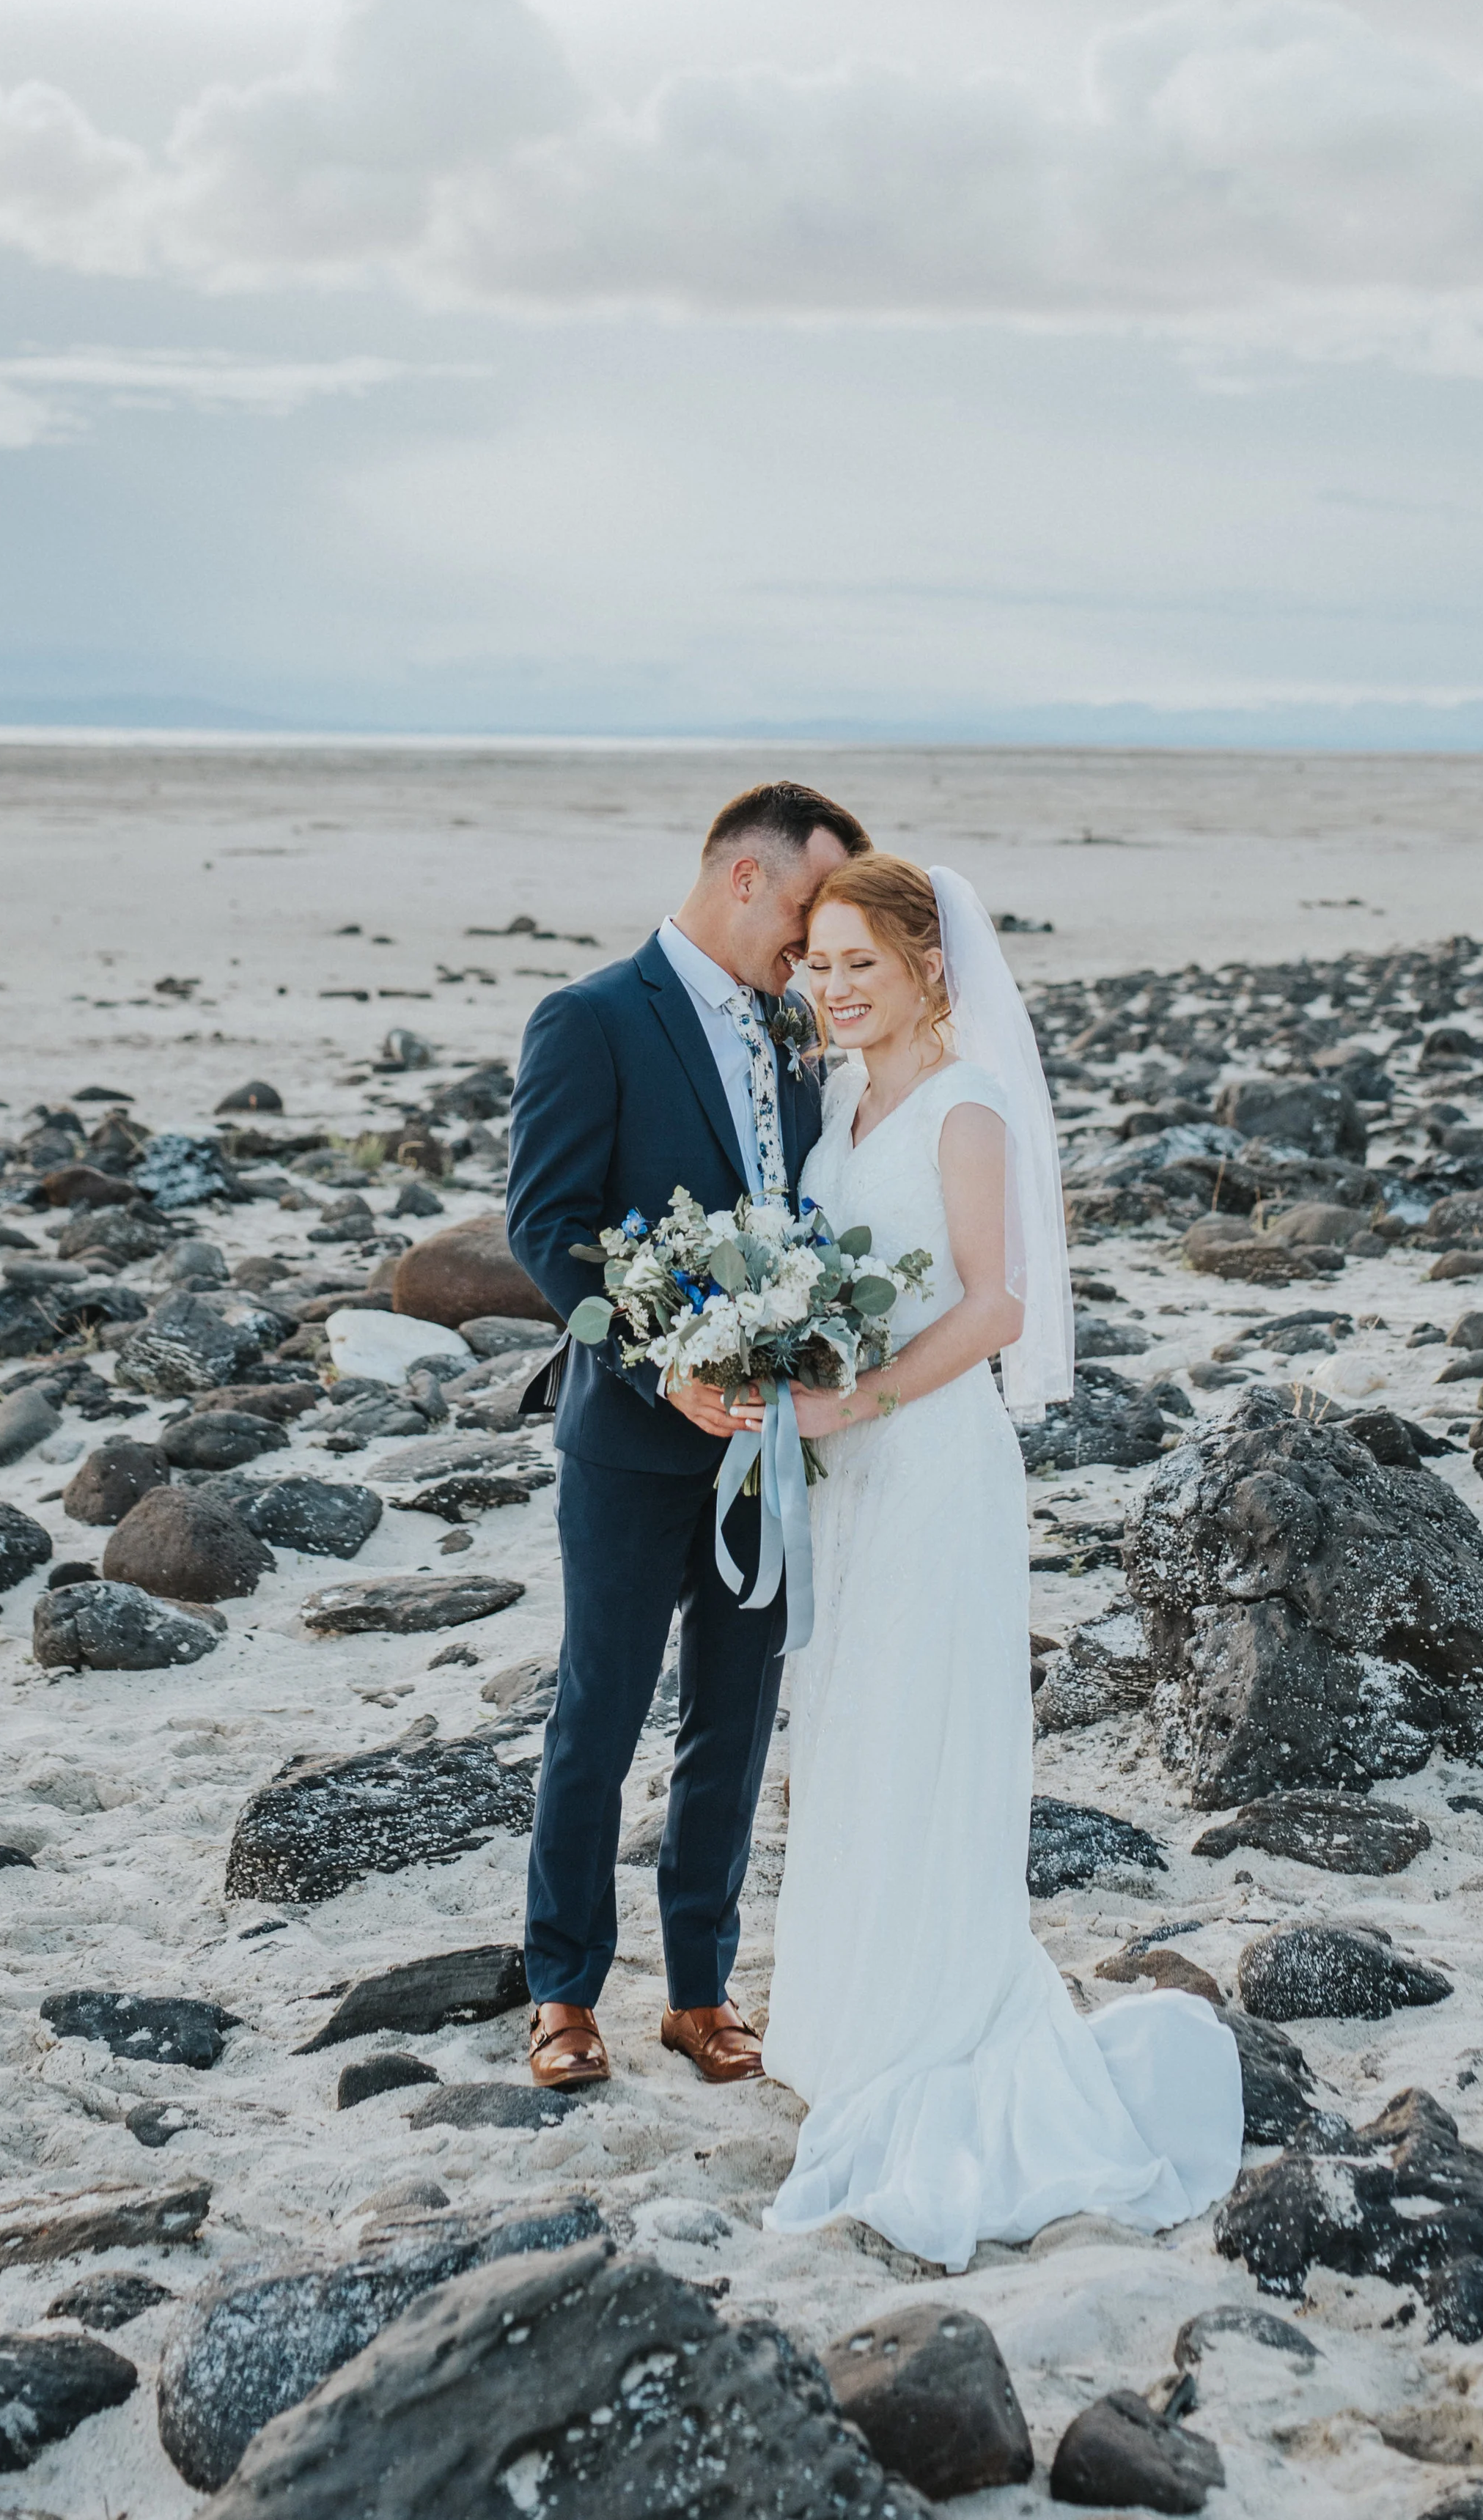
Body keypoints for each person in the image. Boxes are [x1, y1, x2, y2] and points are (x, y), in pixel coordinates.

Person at [762, 852, 1243, 2271]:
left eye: (863, 963)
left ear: (927, 967)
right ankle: (850, 2020)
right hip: (850, 1480)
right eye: (818, 964)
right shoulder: (849, 1103)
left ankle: (931, 2019)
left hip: (929, 1466)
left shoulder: (967, 1107)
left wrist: (854, 1399)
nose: (836, 990)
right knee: (853, 1734)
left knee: (924, 1732)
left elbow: (997, 1306)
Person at [505, 781, 872, 2093]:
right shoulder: (593, 1019)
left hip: (770, 1442)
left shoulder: (796, 1039)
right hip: (632, 1441)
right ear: (743, 880)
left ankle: (703, 1992)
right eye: (806, 908)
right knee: (597, 1714)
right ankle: (562, 1993)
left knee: (735, 1718)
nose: (813, 942)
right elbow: (547, 1228)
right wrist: (668, 1361)